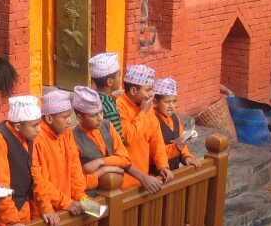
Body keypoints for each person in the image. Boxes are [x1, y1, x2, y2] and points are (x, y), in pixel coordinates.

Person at [0, 95, 52, 226]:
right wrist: (12, 221)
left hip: (26, 209)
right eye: (34, 125)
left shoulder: (28, 136)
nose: (39, 130)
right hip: (5, 216)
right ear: (17, 126)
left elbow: (36, 174)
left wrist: (46, 208)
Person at [31, 89, 91, 226]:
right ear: (49, 119)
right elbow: (40, 181)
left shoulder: (66, 132)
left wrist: (81, 197)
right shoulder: (37, 138)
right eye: (65, 117)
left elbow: (75, 166)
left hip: (69, 205)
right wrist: (66, 202)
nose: (70, 122)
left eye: (70, 116)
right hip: (47, 213)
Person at [115, 64, 172, 193]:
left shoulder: (146, 107)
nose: (152, 94)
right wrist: (143, 113)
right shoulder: (119, 106)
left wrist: (163, 165)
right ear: (134, 91)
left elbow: (156, 138)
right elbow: (128, 138)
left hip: (144, 177)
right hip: (124, 180)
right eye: (148, 90)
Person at [70, 87, 134, 191]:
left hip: (112, 191)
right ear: (80, 118)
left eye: (101, 112)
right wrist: (103, 170)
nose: (100, 118)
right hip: (88, 195)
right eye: (94, 115)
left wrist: (101, 162)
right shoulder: (72, 137)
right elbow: (77, 181)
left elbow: (125, 159)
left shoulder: (107, 126)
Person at [153, 78, 200, 170]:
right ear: (155, 102)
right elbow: (153, 152)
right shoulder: (152, 120)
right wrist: (175, 148)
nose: (171, 106)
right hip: (157, 173)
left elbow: (181, 141)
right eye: (167, 102)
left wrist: (187, 156)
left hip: (174, 170)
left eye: (174, 101)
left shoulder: (175, 118)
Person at [88, 52, 123, 140]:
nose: (121, 78)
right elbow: (119, 139)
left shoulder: (92, 98)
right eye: (119, 75)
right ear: (110, 82)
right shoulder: (109, 107)